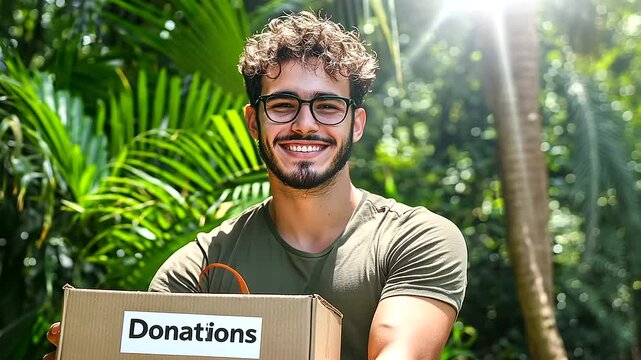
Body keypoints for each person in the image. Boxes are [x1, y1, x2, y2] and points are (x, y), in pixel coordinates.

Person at [45, 11, 467, 360]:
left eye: (327, 106)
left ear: (356, 124)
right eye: (283, 105)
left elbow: (399, 352)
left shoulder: (417, 239)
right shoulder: (197, 272)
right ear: (253, 122)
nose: (305, 124)